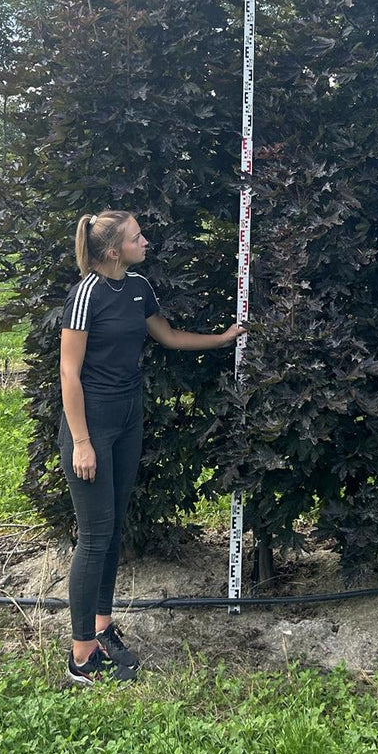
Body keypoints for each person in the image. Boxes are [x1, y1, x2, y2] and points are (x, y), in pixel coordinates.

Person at [59, 209, 243, 685]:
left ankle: (102, 628)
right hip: (92, 425)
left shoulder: (138, 287)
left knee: (114, 528)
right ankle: (81, 657)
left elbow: (168, 336)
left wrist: (222, 340)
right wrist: (81, 441)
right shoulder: (86, 295)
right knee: (94, 536)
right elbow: (68, 373)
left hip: (128, 417)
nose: (147, 241)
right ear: (114, 250)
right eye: (138, 237)